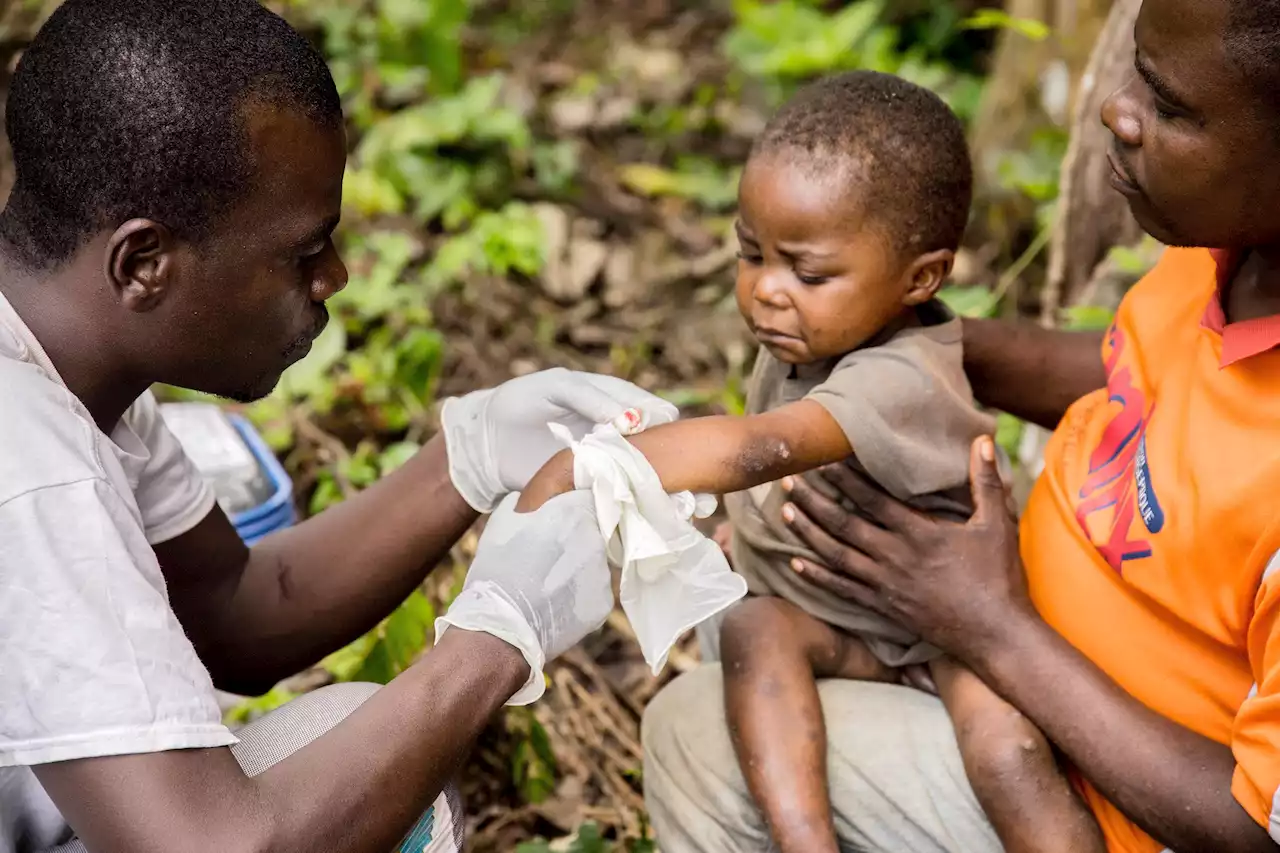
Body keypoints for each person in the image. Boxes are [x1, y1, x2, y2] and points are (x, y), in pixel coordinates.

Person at [0, 3, 679, 853]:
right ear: (144, 264)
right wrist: (496, 641)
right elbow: (211, 847)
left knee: (353, 745)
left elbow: (234, 613)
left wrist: (465, 459)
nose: (336, 276)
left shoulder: (68, 367)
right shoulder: (28, 465)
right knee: (388, 807)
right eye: (302, 251)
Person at [640, 0, 1280, 851]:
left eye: (1169, 108)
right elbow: (1144, 370)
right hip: (995, 648)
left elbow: (1257, 828)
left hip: (1117, 799)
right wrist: (899, 359)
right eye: (1136, 68)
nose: (1114, 108)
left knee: (699, 734)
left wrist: (991, 625)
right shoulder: (1230, 253)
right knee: (751, 639)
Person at [517, 70, 1103, 853]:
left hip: (951, 637)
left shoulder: (900, 375)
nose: (766, 291)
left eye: (808, 272)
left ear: (921, 278)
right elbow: (778, 474)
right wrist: (749, 529)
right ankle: (806, 841)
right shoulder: (813, 336)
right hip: (847, 622)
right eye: (750, 253)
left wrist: (592, 465)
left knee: (1008, 753)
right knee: (758, 631)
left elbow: (761, 447)